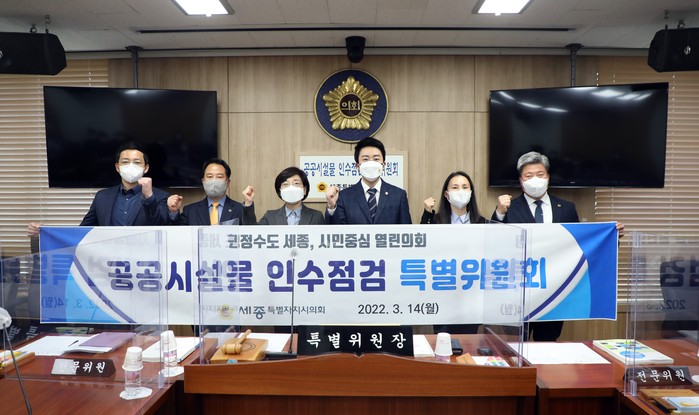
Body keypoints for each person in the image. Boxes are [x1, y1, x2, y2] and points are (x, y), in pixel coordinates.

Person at [491, 151, 624, 341]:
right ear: (520, 180)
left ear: (548, 177)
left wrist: (611, 237)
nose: (535, 179)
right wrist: (499, 213)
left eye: (540, 174)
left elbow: (581, 245)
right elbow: (494, 243)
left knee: (547, 344)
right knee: (514, 346)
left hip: (554, 292)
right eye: (529, 176)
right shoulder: (509, 208)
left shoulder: (567, 208)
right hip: (519, 293)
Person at [28, 141, 169, 234]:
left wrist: (149, 197)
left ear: (146, 168)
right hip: (109, 263)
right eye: (125, 162)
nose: (130, 166)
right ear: (117, 167)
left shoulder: (161, 197)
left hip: (145, 263)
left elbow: (163, 231)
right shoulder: (102, 197)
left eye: (137, 162)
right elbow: (83, 231)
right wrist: (45, 232)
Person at [422, 171, 485, 334]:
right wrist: (426, 214)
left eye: (465, 187)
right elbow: (423, 249)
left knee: (469, 343)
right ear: (446, 194)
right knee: (443, 342)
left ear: (471, 192)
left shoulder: (482, 223)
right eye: (455, 188)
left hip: (471, 296)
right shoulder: (435, 222)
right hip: (442, 295)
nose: (460, 192)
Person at [325, 136, 411, 225]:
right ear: (357, 166)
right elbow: (336, 230)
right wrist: (331, 207)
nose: (371, 163)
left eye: (376, 159)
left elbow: (407, 230)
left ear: (384, 165)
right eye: (365, 159)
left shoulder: (398, 196)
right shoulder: (343, 197)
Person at [167, 158, 256, 225]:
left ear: (228, 182)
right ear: (203, 181)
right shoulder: (190, 211)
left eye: (219, 177)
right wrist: (173, 212)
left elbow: (251, 233)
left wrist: (248, 204)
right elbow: (177, 236)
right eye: (209, 176)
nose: (214, 180)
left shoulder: (240, 209)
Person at [257, 167, 324, 225]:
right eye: (286, 184)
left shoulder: (317, 216)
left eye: (296, 183)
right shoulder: (269, 217)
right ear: (280, 191)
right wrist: (250, 203)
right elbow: (253, 231)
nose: (291, 188)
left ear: (304, 190)